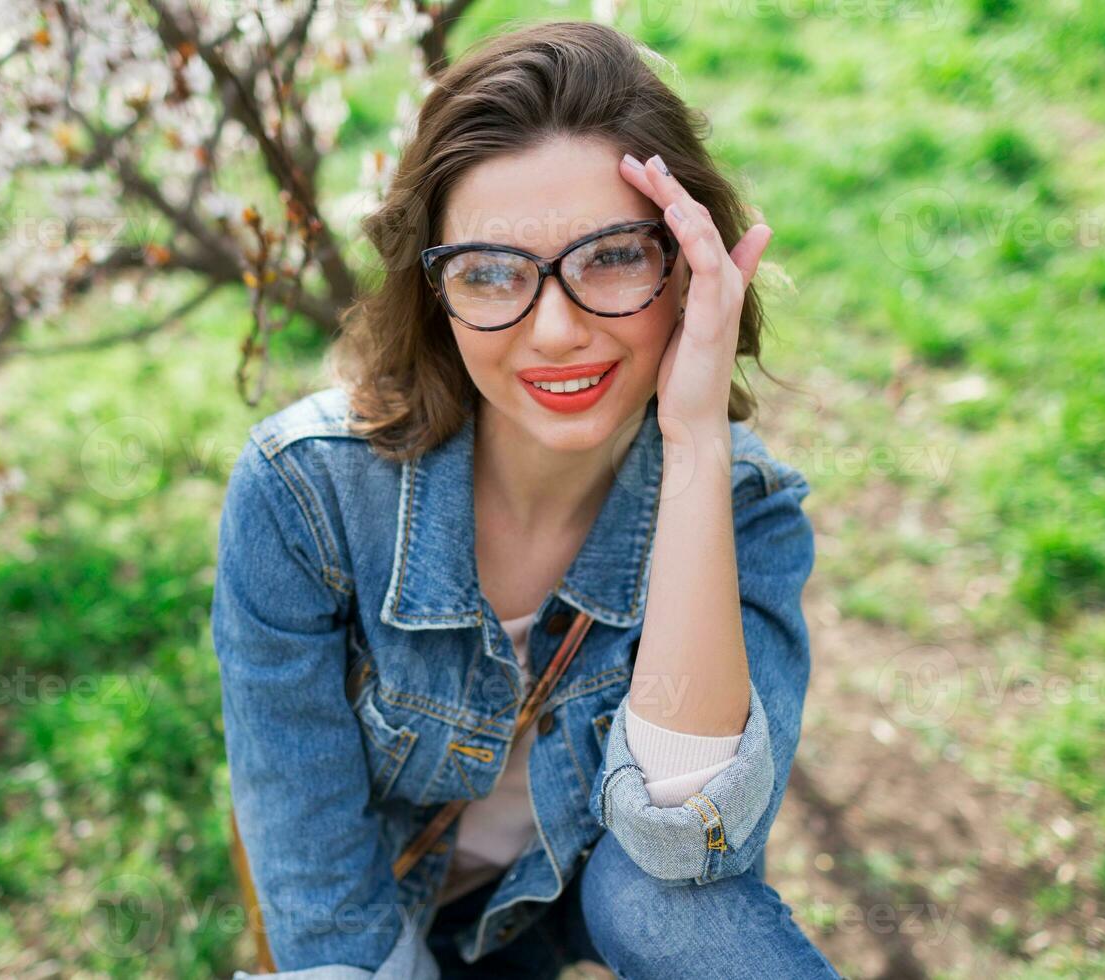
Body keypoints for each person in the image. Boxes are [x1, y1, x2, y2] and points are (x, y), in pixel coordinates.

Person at [212, 19, 840, 979]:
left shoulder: (751, 512)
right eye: (491, 273)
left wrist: (699, 443)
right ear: (437, 295)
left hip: (594, 890)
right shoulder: (306, 498)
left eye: (614, 255)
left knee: (678, 905)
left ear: (687, 261)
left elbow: (690, 851)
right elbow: (321, 905)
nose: (555, 330)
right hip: (388, 918)